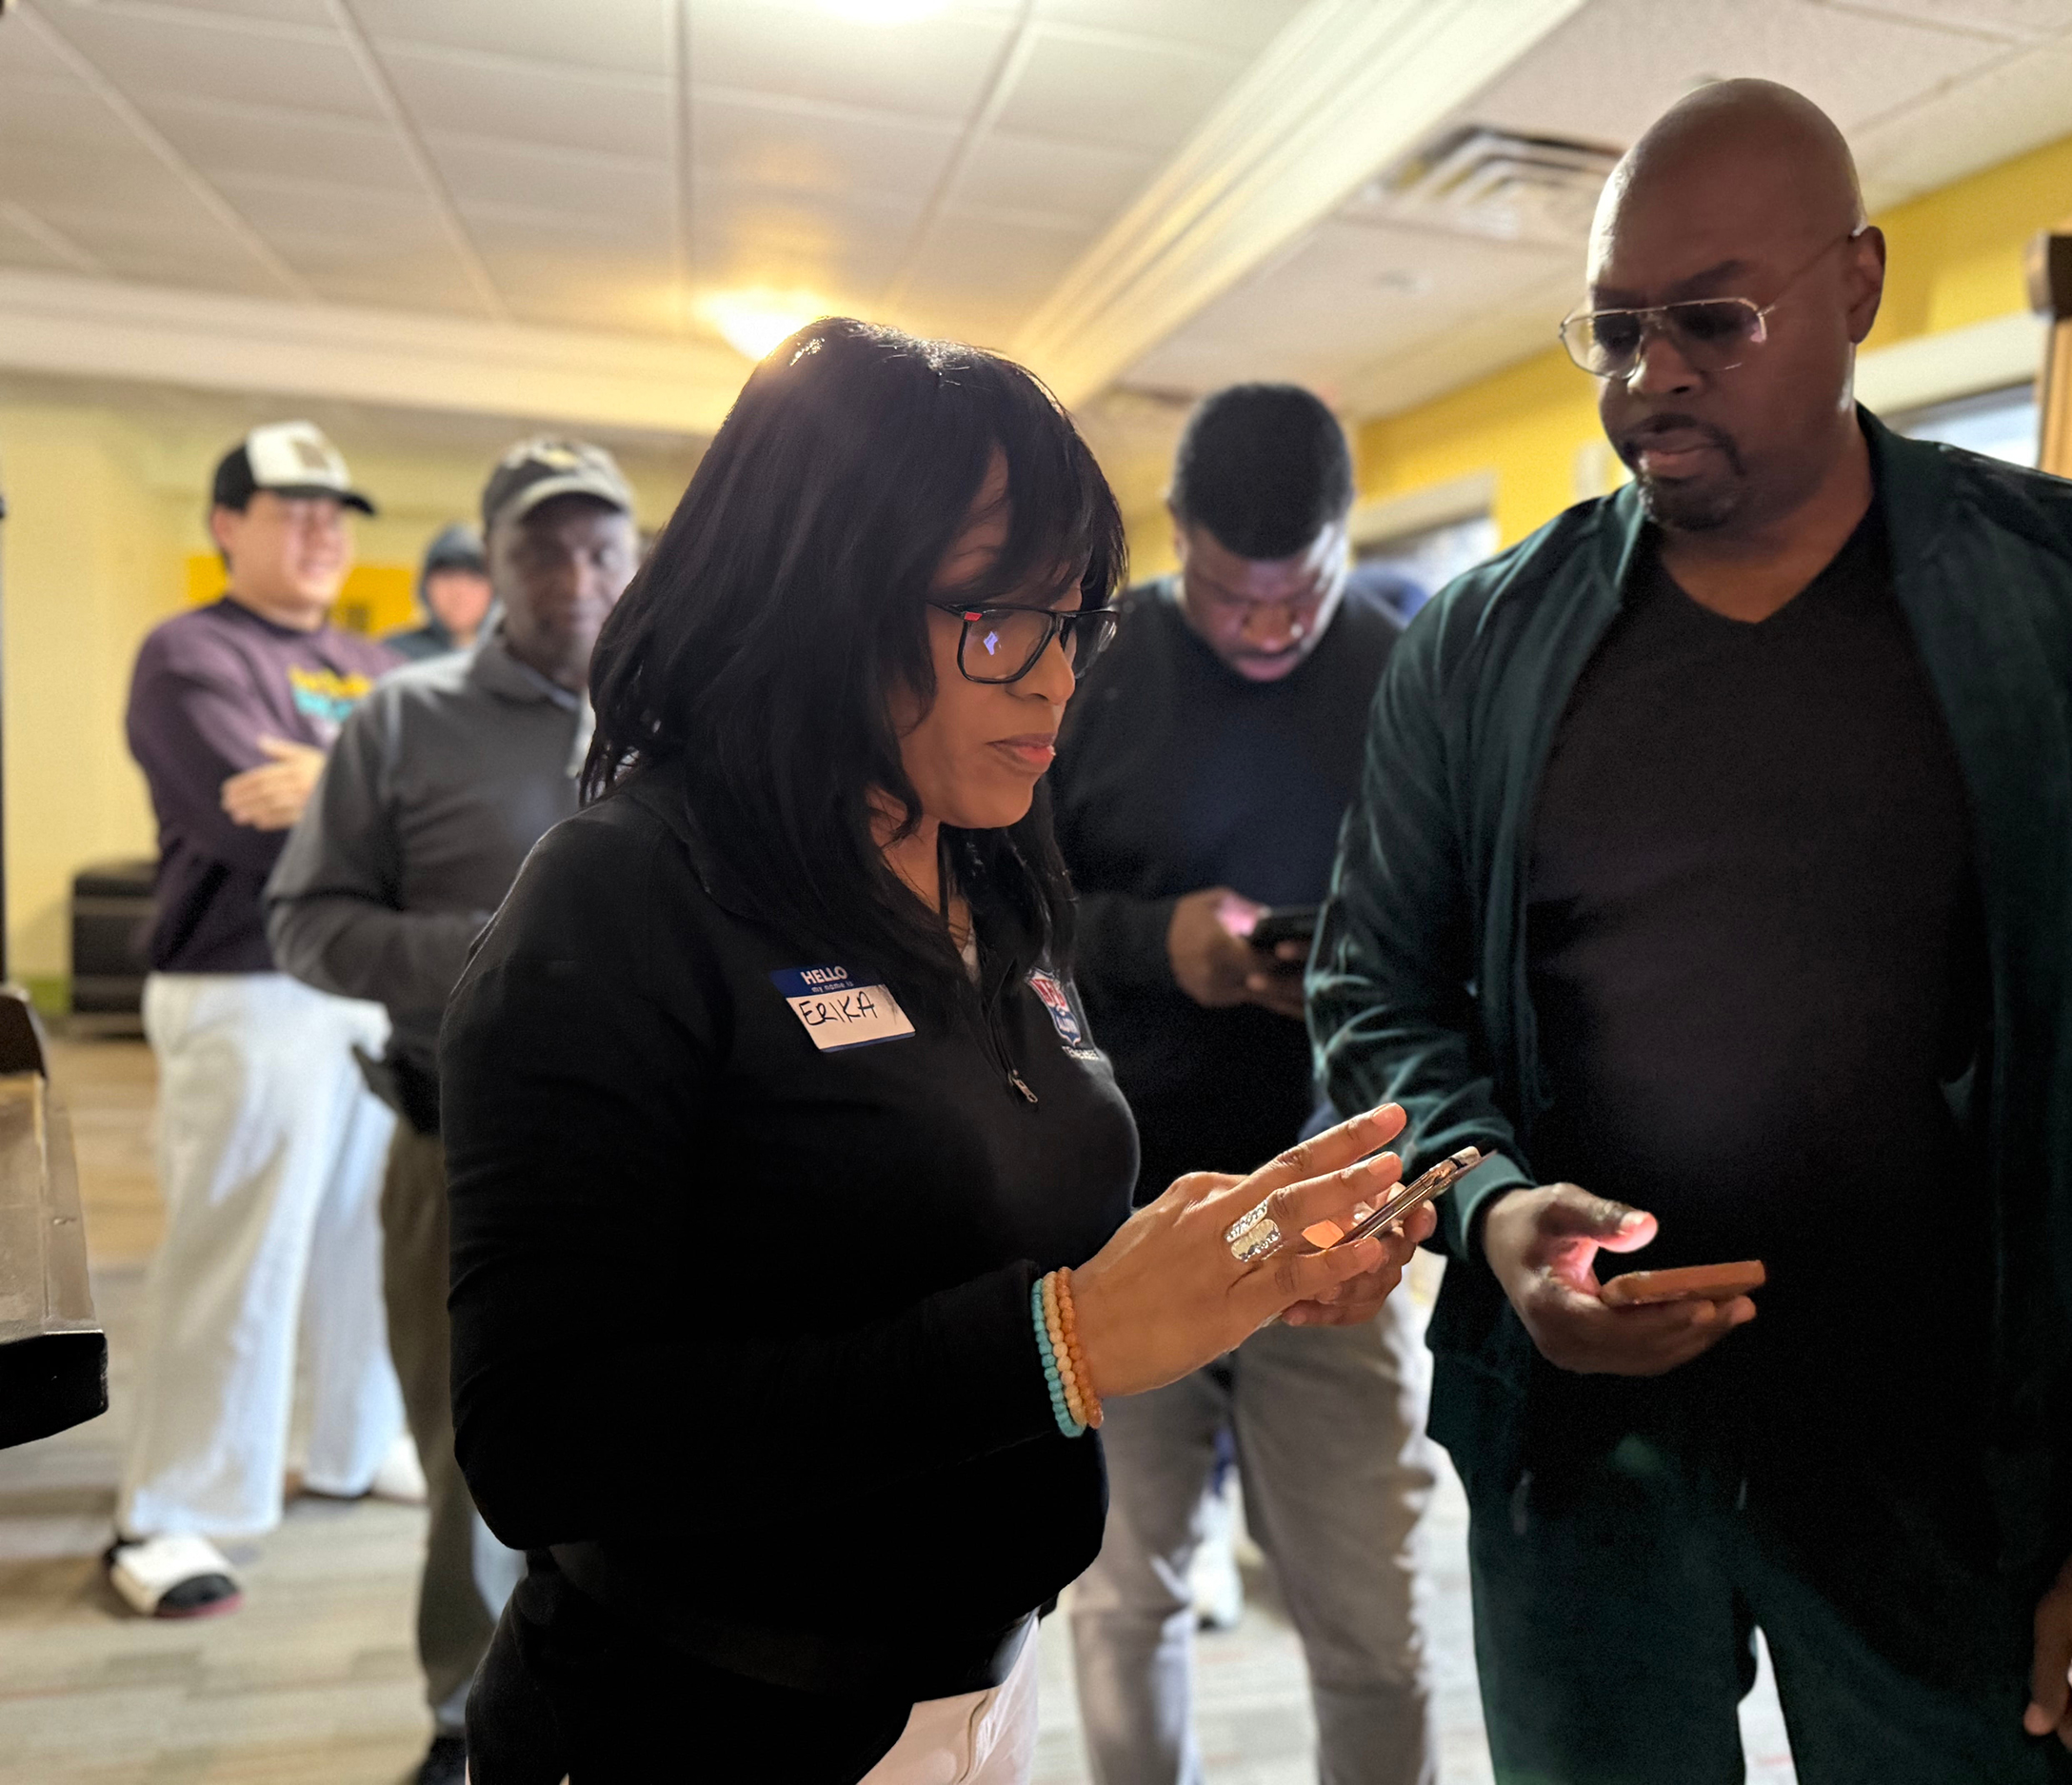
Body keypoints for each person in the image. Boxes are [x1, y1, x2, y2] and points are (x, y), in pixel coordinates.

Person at [1309, 80, 2072, 1784]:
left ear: (1860, 284)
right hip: (1584, 1466)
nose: (1650, 375)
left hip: (1963, 1464)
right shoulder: (1477, 648)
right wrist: (1486, 1207)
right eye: (1614, 327)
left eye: (1712, 318)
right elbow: (1374, 987)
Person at [438, 318, 1435, 1785]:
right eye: (1001, 622)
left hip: (974, 1687)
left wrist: (1226, 1259)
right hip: (711, 1713)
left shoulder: (989, 863)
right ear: (819, 595)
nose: (1055, 682)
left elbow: (974, 1219)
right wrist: (1065, 1340)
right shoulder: (625, 896)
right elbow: (544, 1439)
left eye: (1076, 623)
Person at [1051, 384, 1437, 1785]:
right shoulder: (1086, 671)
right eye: (1231, 597)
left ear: (1348, 538)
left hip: (1333, 1207)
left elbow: (1457, 919)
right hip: (1118, 1204)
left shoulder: (1405, 668)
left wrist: (1341, 964)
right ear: (1176, 538)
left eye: (1301, 595)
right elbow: (992, 916)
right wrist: (1152, 943)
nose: (1269, 628)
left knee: (1372, 1619)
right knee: (1125, 1597)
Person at [264, 439, 640, 1785]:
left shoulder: (692, 720)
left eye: (600, 547)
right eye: (542, 548)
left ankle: (636, 1688)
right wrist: (491, 950)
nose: (575, 575)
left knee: (659, 1429)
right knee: (478, 1446)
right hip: (461, 1147)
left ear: (636, 561)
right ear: (491, 561)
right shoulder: (401, 720)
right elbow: (306, 924)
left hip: (666, 1151)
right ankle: (466, 1716)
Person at [110, 421, 415, 1620]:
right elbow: (246, 818)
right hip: (241, 988)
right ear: (226, 524)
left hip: (363, 987)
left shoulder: (374, 662)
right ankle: (175, 1511)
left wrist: (328, 779)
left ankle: (352, 1445)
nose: (321, 531)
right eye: (293, 509)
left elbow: (433, 814)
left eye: (335, 513)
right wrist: (379, 787)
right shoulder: (188, 654)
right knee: (239, 1247)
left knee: (363, 1238)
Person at [386, 523, 492, 661]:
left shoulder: (513, 661)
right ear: (425, 586)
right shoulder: (390, 655)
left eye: (474, 579)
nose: (459, 592)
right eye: (447, 577)